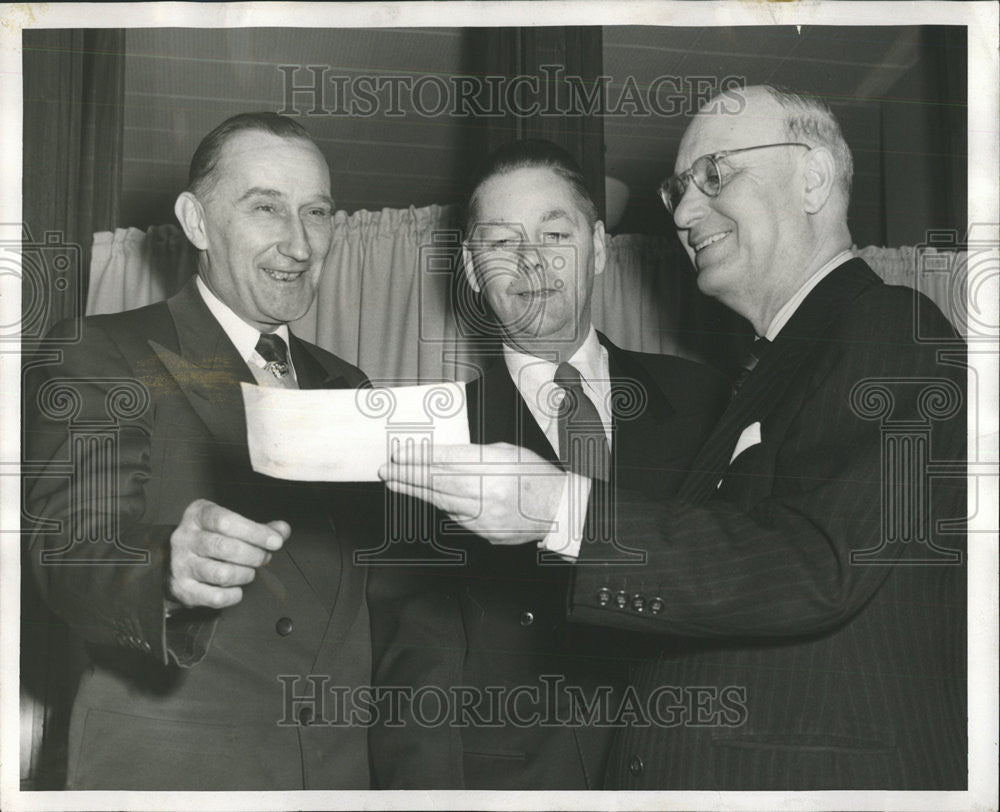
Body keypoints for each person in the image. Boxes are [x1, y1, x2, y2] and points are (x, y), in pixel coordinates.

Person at [383, 87, 967, 789]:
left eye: (716, 175)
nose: (686, 214)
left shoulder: (882, 329)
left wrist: (554, 506)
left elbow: (813, 564)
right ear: (472, 270)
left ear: (810, 177)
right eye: (679, 190)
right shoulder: (772, 371)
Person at [23, 112, 376, 790]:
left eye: (317, 213)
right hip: (174, 772)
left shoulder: (351, 387)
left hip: (334, 774)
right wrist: (167, 568)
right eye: (266, 209)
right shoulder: (102, 351)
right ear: (196, 221)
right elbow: (70, 554)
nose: (299, 244)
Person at [370, 140, 728, 789]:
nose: (531, 260)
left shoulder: (704, 402)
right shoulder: (432, 439)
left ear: (596, 248)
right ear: (474, 272)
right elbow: (416, 688)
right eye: (502, 242)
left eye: (553, 233)